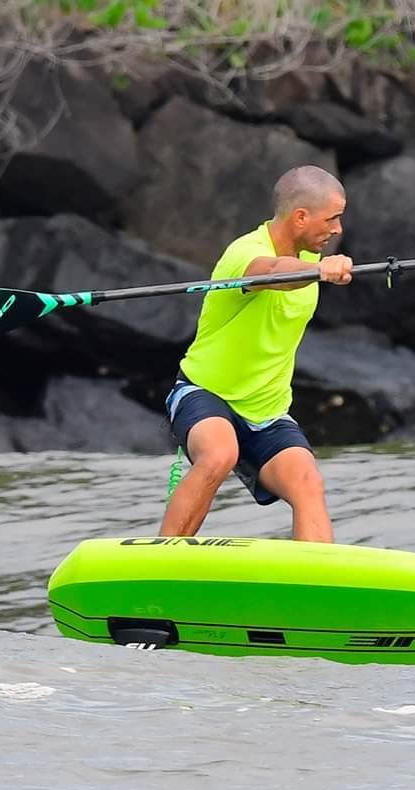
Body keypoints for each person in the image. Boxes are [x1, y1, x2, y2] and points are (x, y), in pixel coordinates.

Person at [158, 165, 353, 543]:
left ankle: (318, 574)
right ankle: (161, 559)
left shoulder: (311, 262)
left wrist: (319, 269)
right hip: (205, 393)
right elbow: (273, 272)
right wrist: (319, 271)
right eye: (332, 218)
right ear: (301, 217)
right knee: (219, 453)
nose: (338, 229)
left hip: (267, 410)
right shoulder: (245, 253)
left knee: (308, 482)